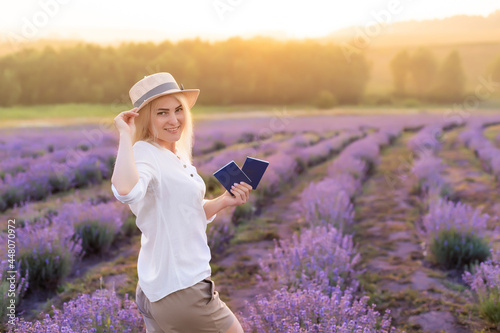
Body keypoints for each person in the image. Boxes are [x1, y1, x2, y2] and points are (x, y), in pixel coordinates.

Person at [111, 72, 250, 333]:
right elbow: (126, 190)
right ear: (144, 118)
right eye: (162, 113)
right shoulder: (144, 153)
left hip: (155, 289)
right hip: (182, 289)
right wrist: (125, 137)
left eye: (178, 110)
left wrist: (223, 201)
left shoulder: (173, 154)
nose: (174, 120)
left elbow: (186, 211)